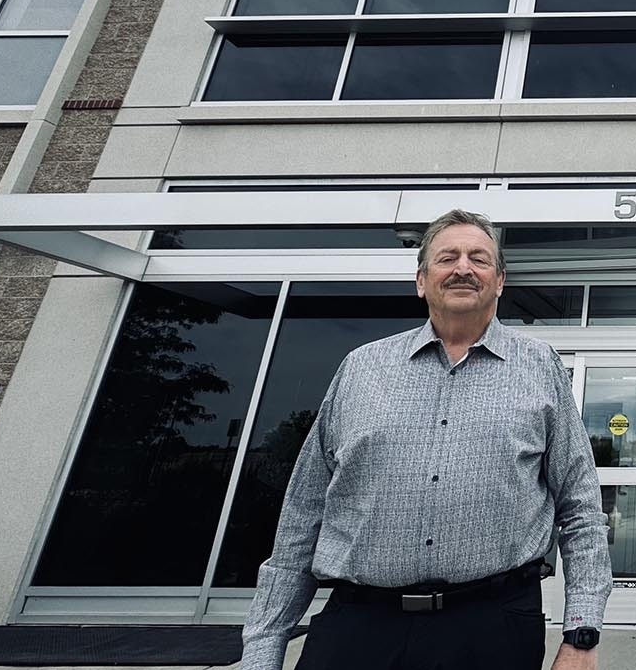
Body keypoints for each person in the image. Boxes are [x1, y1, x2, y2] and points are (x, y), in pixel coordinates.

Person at [241, 210, 610, 670]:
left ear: (499, 282)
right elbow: (304, 513)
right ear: (420, 280)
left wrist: (581, 633)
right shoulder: (361, 368)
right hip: (359, 626)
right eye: (447, 257)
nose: (462, 268)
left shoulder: (540, 366)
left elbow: (580, 508)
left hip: (493, 628)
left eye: (479, 258)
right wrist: (263, 644)